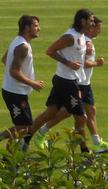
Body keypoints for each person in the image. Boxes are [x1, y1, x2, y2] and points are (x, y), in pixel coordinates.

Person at [33, 16, 108, 153]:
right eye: (97, 27)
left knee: (88, 111)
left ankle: (96, 143)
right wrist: (97, 64)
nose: (99, 31)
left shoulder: (84, 40)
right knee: (70, 113)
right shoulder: (82, 40)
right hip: (78, 82)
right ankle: (43, 132)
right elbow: (82, 63)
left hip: (84, 82)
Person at [30, 9, 96, 154]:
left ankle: (26, 139)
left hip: (66, 79)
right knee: (81, 117)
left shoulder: (82, 36)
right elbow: (50, 51)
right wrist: (68, 63)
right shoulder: (69, 37)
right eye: (91, 20)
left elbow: (77, 53)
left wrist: (88, 52)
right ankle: (85, 152)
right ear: (83, 21)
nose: (93, 23)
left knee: (51, 113)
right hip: (67, 81)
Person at [0, 15, 43, 159]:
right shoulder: (23, 47)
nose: (39, 28)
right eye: (36, 25)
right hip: (15, 92)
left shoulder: (18, 42)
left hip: (16, 91)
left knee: (24, 127)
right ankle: (7, 161)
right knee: (22, 128)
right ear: (27, 28)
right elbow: (14, 71)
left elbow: (4, 60)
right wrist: (32, 83)